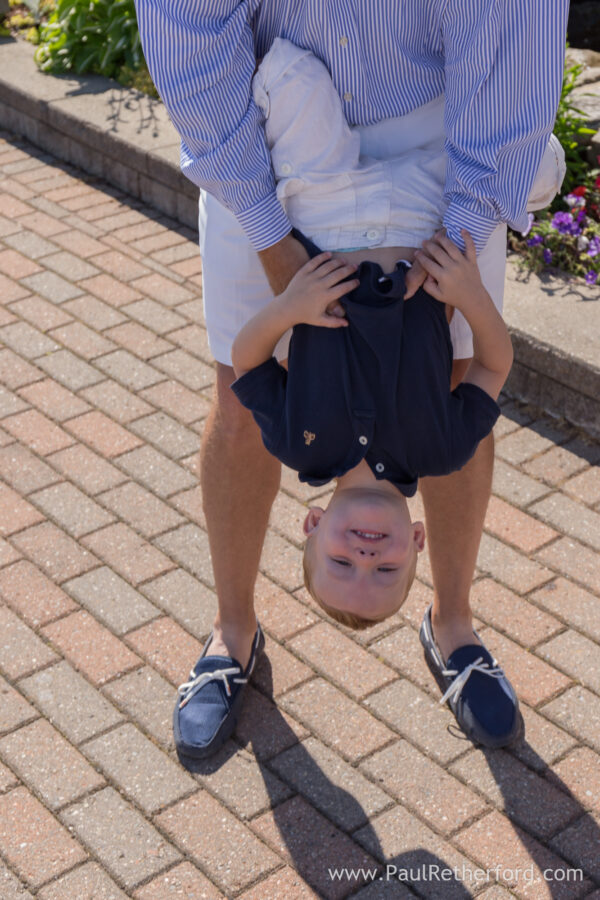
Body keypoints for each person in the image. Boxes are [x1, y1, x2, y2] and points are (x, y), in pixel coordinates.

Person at [134, 0, 569, 759]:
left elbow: (252, 365)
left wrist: (467, 219)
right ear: (410, 540)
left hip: (435, 111)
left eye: (344, 560)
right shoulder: (427, 442)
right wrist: (271, 236)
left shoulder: (309, 444)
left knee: (265, 401)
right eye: (380, 563)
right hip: (261, 137)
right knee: (239, 422)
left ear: (315, 528)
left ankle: (454, 624)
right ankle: (232, 634)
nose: (365, 549)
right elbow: (185, 19)